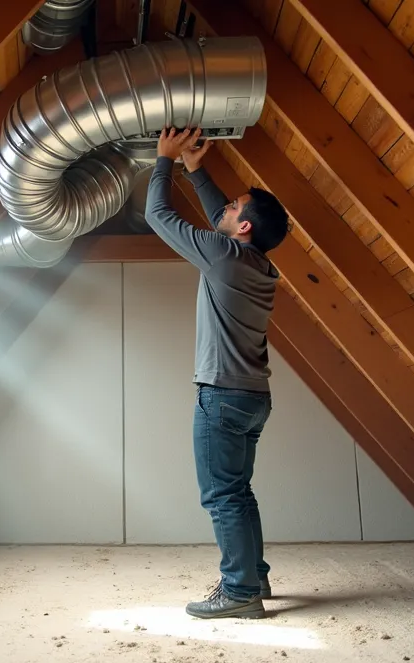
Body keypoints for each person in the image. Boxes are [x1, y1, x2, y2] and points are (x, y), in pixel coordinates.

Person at [143, 127, 290, 620]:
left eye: (234, 207)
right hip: (251, 397)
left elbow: (157, 216)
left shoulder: (225, 257)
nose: (225, 207)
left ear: (244, 227)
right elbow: (220, 219)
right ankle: (254, 578)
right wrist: (196, 168)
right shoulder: (258, 267)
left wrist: (164, 160)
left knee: (224, 495)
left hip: (224, 396)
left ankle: (240, 592)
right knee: (238, 492)